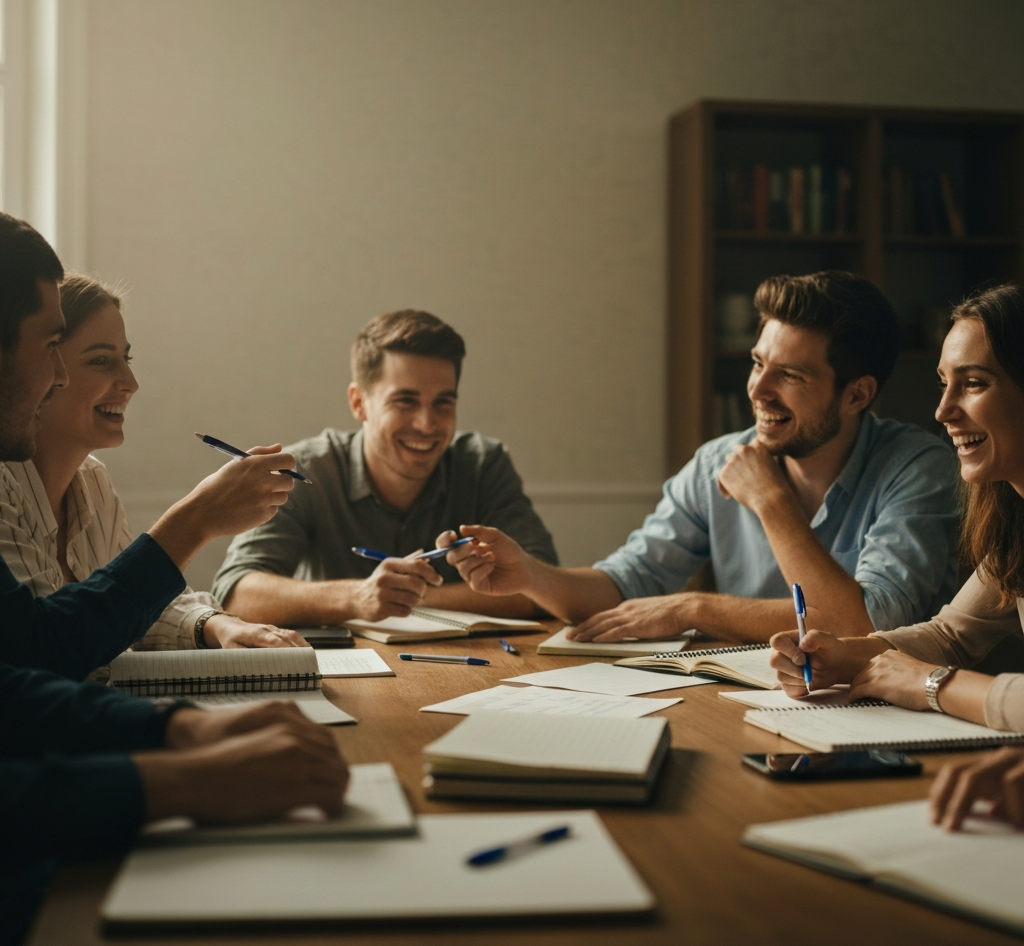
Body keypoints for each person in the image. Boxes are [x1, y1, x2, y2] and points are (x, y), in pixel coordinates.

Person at [0, 213, 348, 945]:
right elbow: (46, 647)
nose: (65, 373)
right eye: (58, 349)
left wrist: (183, 719)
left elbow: (16, 680)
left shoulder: (93, 485)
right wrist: (190, 771)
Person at [444, 271, 959, 643]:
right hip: (742, 704)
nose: (759, 389)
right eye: (759, 363)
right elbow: (626, 584)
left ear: (856, 395)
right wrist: (529, 574)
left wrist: (766, 506)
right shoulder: (718, 460)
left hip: (876, 715)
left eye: (792, 376)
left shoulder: (918, 469)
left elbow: (866, 625)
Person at [770, 284, 1024, 829]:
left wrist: (932, 685)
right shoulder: (1015, 521)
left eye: (973, 383)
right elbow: (953, 635)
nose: (944, 410)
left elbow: (939, 664)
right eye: (943, 384)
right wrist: (849, 655)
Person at [0, 273, 307, 675]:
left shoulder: (92, 481)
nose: (130, 383)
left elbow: (125, 605)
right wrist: (197, 518)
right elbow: (48, 652)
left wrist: (217, 625)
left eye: (125, 359)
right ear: (42, 366)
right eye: (100, 361)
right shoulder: (5, 490)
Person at [213, 309, 558, 627]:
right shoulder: (304, 470)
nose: (427, 424)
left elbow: (545, 585)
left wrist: (413, 596)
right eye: (405, 401)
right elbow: (235, 594)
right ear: (359, 403)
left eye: (443, 403)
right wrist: (357, 597)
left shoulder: (483, 464)